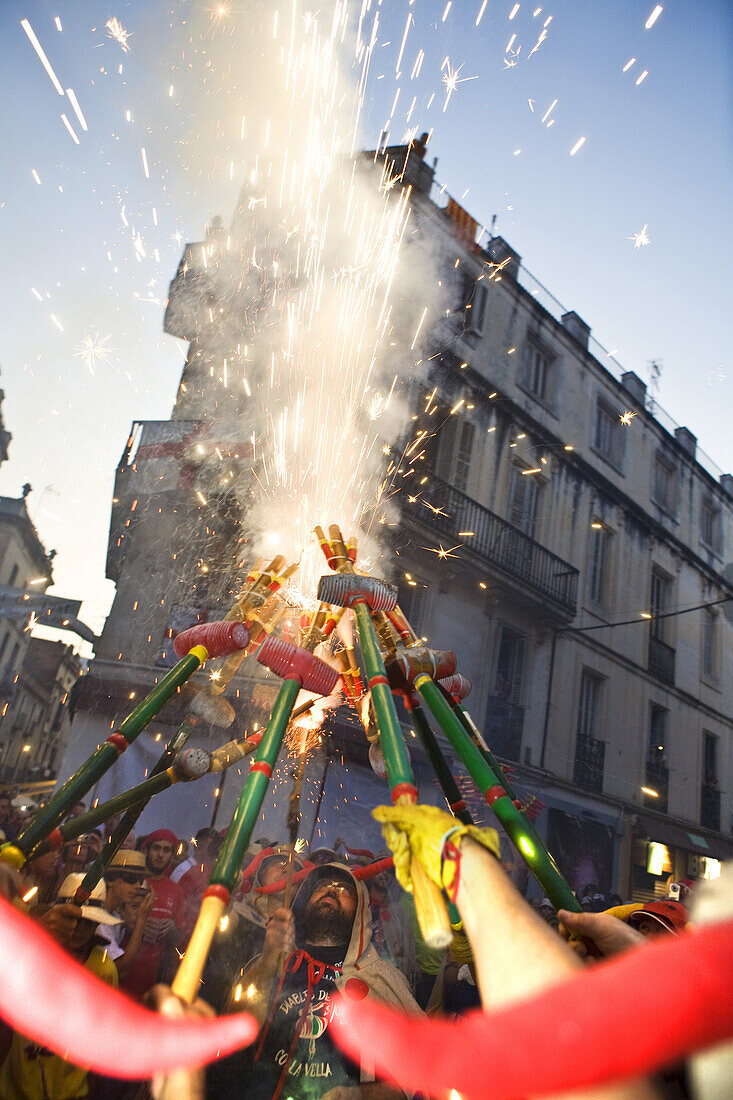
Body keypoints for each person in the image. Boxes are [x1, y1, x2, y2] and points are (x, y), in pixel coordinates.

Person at [208, 861, 418, 1099]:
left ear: (361, 912)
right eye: (322, 886)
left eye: (344, 889)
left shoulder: (379, 978)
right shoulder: (275, 961)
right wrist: (269, 958)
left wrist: (358, 1095)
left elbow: (412, 1076)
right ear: (305, 901)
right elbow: (233, 1028)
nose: (332, 890)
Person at [0, 873, 121, 1099]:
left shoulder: (103, 969)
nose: (78, 928)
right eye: (72, 919)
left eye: (88, 922)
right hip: (13, 1089)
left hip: (70, 1092)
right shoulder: (30, 953)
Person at [116, 829, 184, 999]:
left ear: (172, 855)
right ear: (146, 850)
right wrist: (135, 924)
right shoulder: (131, 882)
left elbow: (179, 939)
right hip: (118, 971)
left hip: (149, 981)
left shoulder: (175, 890)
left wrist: (172, 929)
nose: (160, 855)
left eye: (166, 850)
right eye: (156, 848)